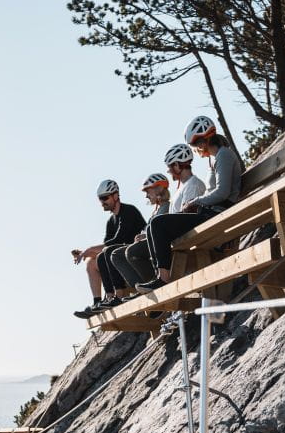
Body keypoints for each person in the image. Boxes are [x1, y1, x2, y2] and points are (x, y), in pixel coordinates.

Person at [136, 116, 243, 292]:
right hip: (210, 213)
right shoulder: (218, 157)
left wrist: (196, 201)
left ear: (203, 141)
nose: (197, 150)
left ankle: (163, 278)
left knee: (158, 223)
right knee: (155, 227)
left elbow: (223, 192)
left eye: (196, 145)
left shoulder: (223, 155)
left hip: (217, 214)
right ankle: (160, 275)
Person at [73, 179, 147, 319]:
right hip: (120, 257)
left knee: (104, 253)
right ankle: (99, 301)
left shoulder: (129, 211)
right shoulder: (111, 221)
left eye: (105, 198)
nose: (102, 202)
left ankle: (117, 296)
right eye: (100, 199)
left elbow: (117, 241)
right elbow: (107, 243)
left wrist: (88, 250)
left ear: (116, 195)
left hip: (136, 258)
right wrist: (87, 253)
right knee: (91, 262)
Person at [109, 173, 172, 297]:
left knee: (131, 252)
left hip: (160, 245)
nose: (147, 196)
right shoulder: (157, 210)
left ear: (158, 189)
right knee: (115, 254)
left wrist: (145, 236)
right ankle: (141, 287)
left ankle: (153, 283)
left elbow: (160, 230)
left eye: (148, 192)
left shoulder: (167, 207)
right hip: (149, 243)